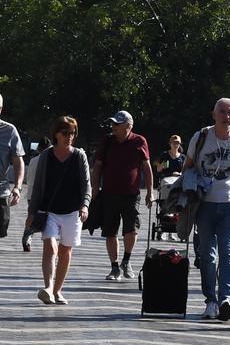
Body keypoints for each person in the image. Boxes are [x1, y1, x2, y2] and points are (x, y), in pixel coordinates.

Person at [183, 98, 230, 321]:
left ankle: (225, 299)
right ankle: (210, 301)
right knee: (207, 254)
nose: (226, 116)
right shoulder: (201, 137)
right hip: (205, 204)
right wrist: (186, 198)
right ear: (214, 115)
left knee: (228, 251)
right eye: (222, 112)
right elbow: (187, 167)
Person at [27, 117, 91, 305]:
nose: (69, 137)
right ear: (56, 134)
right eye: (65, 133)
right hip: (50, 211)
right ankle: (48, 287)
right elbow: (38, 188)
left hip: (72, 211)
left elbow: (86, 184)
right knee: (50, 246)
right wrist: (31, 212)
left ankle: (58, 290)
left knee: (66, 250)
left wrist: (85, 204)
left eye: (72, 133)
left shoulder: (79, 156)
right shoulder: (46, 156)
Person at [91, 110, 154, 282]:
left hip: (131, 195)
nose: (113, 127)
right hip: (109, 194)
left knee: (131, 230)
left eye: (117, 125)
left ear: (128, 126)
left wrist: (150, 192)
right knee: (110, 232)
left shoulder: (139, 141)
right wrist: (94, 187)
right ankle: (114, 267)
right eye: (113, 124)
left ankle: (127, 260)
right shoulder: (108, 141)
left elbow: (147, 168)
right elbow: (97, 166)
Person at [0, 93, 26, 243]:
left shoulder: (9, 130)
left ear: (1, 109)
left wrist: (17, 187)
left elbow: (18, 161)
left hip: (1, 192)